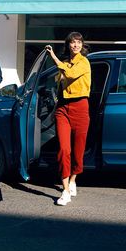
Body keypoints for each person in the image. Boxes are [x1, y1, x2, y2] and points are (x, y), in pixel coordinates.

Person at [45, 32, 91, 206]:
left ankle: (73, 180)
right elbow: (60, 82)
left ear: (82, 45)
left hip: (81, 108)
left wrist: (53, 57)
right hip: (63, 109)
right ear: (68, 45)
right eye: (72, 42)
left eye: (79, 42)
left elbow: (70, 75)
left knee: (78, 152)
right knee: (64, 150)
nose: (76, 45)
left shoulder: (84, 62)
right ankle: (65, 190)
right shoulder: (64, 64)